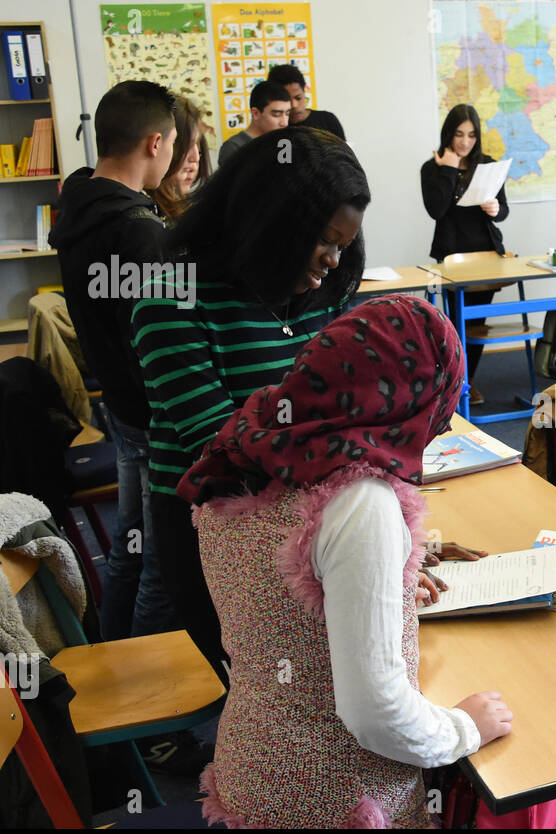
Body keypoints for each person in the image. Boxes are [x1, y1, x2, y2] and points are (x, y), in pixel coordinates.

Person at [180, 295, 513, 829]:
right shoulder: (361, 503)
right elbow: (377, 714)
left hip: (256, 772)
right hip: (340, 802)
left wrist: (381, 586)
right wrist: (463, 730)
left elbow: (282, 600)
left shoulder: (253, 443)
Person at [132, 126, 369, 681]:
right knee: (271, 691)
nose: (334, 262)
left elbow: (351, 413)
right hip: (221, 536)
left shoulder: (317, 296)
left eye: (343, 244)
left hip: (318, 518)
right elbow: (225, 449)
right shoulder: (171, 297)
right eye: (324, 242)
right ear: (272, 225)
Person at [49, 81, 179, 646]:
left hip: (119, 404)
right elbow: (167, 332)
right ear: (155, 142)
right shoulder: (138, 231)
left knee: (131, 547)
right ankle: (153, 705)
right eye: (174, 144)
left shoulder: (79, 201)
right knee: (161, 562)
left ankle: (115, 654)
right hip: (152, 413)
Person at [420, 103, 510, 407]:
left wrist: (495, 209)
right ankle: (453, 384)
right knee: (453, 326)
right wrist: (447, 168)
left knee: (476, 324)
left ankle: (466, 383)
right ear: (449, 133)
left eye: (471, 135)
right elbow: (436, 209)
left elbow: (503, 210)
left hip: (485, 255)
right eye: (459, 134)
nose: (465, 142)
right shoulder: (432, 167)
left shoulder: (488, 165)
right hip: (451, 256)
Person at [151, 93, 212, 222]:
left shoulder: (185, 207)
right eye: (186, 146)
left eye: (197, 145)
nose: (195, 158)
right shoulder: (149, 215)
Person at [217, 81, 291, 164]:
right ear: (255, 113)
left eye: (287, 114)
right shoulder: (233, 147)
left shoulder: (284, 144)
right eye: (276, 115)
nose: (284, 123)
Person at [268, 63, 345, 140]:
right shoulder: (273, 129)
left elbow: (345, 151)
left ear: (304, 90)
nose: (294, 105)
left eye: (298, 97)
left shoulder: (327, 120)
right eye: (287, 100)